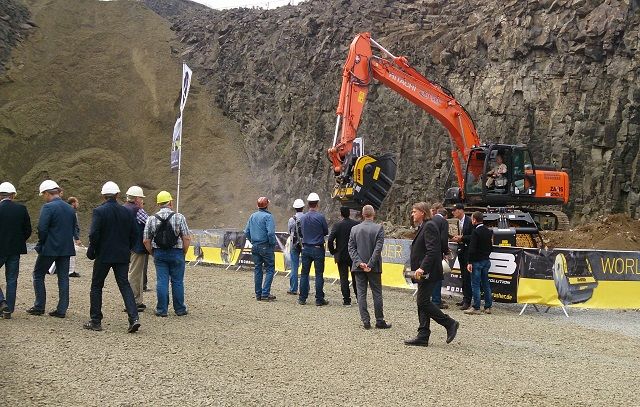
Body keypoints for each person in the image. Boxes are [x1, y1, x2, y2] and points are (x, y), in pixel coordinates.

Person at [83, 182, 140, 333]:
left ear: (103, 195)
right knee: (124, 285)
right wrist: (127, 247)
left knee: (96, 286)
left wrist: (93, 249)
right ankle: (134, 318)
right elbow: (135, 233)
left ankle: (95, 321)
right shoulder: (126, 212)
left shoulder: (99, 211)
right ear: (117, 195)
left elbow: (94, 233)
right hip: (122, 255)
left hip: (104, 254)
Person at [404, 202, 459, 347]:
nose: (412, 214)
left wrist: (422, 268)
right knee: (421, 302)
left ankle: (450, 323)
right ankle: (423, 335)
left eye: (414, 211)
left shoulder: (429, 226)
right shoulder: (424, 226)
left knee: (423, 302)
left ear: (422, 212)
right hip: (425, 272)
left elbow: (432, 250)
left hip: (429, 271)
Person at [27, 180, 77, 318]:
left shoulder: (48, 208)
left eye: (43, 194)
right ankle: (62, 309)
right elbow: (73, 228)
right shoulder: (69, 208)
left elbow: (42, 228)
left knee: (38, 274)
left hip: (49, 248)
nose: (43, 197)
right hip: (66, 248)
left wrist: (41, 243)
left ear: (47, 193)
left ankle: (39, 306)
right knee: (63, 278)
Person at [143, 191, 191, 317]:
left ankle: (162, 310)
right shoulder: (179, 217)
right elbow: (186, 238)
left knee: (162, 281)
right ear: (170, 202)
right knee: (177, 281)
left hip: (159, 253)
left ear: (159, 203)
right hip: (177, 253)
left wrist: (153, 253)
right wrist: (183, 252)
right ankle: (180, 309)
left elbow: (146, 240)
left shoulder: (151, 219)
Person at [347, 205, 391, 329]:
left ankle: (365, 321)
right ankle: (379, 320)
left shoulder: (354, 229)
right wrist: (370, 264)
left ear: (362, 214)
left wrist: (359, 263)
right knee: (377, 293)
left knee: (361, 294)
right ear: (373, 214)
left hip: (358, 267)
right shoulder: (379, 228)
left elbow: (351, 248)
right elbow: (378, 249)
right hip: (374, 267)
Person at [0, 182, 32, 319]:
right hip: (15, 249)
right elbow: (28, 230)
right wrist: (19, 241)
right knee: (12, 279)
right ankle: (9, 309)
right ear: (13, 195)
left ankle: (2, 302)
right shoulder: (21, 209)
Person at [298, 192, 329, 306]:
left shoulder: (303, 217)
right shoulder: (320, 217)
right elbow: (326, 231)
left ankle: (302, 298)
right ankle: (319, 299)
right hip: (317, 248)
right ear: (317, 204)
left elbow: (301, 233)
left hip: (306, 248)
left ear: (308, 204)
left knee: (304, 274)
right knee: (319, 274)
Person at [244, 196, 277, 302]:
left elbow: (246, 232)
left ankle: (258, 294)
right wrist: (272, 244)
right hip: (266, 246)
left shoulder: (252, 216)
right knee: (270, 269)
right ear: (267, 205)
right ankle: (265, 293)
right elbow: (271, 233)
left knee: (258, 269)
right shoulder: (268, 217)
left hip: (255, 246)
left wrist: (252, 241)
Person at [124, 186, 149, 311]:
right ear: (137, 198)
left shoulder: (123, 208)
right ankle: (133, 301)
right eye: (141, 198)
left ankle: (138, 300)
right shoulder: (138, 210)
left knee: (134, 273)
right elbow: (150, 224)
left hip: (126, 246)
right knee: (135, 274)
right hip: (137, 246)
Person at [328, 207, 359, 306]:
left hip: (341, 255)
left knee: (343, 278)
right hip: (353, 255)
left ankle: (346, 300)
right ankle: (359, 298)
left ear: (341, 214)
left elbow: (330, 240)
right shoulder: (356, 224)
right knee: (356, 278)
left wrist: (333, 251)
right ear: (349, 213)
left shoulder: (337, 225)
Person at [464, 211, 494, 315]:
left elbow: (472, 249)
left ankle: (476, 306)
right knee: (486, 284)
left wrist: (470, 262)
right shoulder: (488, 231)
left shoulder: (475, 232)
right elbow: (491, 247)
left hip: (476, 261)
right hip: (486, 260)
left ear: (474, 220)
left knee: (475, 284)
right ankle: (488, 307)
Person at [451, 203, 473, 310]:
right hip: (461, 251)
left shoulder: (469, 221)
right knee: (464, 277)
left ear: (460, 210)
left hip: (468, 252)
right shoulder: (458, 222)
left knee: (467, 277)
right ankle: (465, 298)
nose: (453, 212)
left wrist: (462, 238)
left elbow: (473, 237)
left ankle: (468, 300)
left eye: (454, 210)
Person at [430, 202, 450, 309]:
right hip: (437, 253)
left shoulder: (430, 220)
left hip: (428, 252)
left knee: (430, 276)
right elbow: (443, 239)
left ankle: (432, 297)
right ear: (445, 216)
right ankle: (436, 300)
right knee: (438, 276)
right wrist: (445, 252)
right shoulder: (443, 222)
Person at [286, 198, 305, 295]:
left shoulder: (291, 220)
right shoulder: (306, 217)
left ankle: (293, 289)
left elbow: (289, 232)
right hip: (305, 244)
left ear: (294, 208)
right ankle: (305, 289)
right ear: (303, 207)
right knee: (305, 267)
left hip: (294, 244)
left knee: (294, 267)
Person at [67, 197, 81, 278]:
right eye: (77, 202)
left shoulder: (66, 211)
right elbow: (74, 226)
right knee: (72, 253)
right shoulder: (72, 212)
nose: (78, 204)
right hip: (70, 235)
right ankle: (71, 271)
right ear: (73, 203)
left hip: (66, 234)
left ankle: (50, 269)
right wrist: (77, 238)